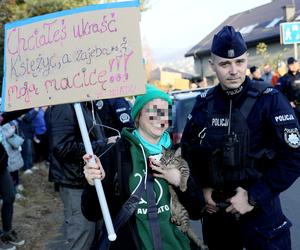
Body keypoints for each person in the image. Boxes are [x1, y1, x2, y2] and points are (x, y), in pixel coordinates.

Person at [181, 26, 300, 250]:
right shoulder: (204, 104)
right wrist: (202, 190)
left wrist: (254, 196)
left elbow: (294, 157)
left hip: (262, 223)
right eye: (225, 64)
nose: (234, 70)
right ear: (212, 65)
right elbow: (186, 155)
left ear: (246, 59)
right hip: (218, 223)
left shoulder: (270, 100)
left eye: (239, 62)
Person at [81, 84, 204, 250]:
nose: (161, 117)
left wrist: (180, 180)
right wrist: (93, 183)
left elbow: (197, 209)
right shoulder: (116, 153)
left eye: (166, 111)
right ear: (138, 116)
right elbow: (91, 213)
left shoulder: (179, 151)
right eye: (153, 111)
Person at [47, 100, 116, 250]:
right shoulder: (64, 106)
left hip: (92, 182)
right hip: (75, 183)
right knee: (83, 237)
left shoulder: (87, 104)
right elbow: (62, 147)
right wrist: (104, 144)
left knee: (96, 235)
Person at [276, 57, 300, 121]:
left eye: (295, 64)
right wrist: (288, 103)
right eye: (292, 64)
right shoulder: (284, 79)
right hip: (292, 109)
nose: (294, 66)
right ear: (288, 66)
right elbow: (279, 94)